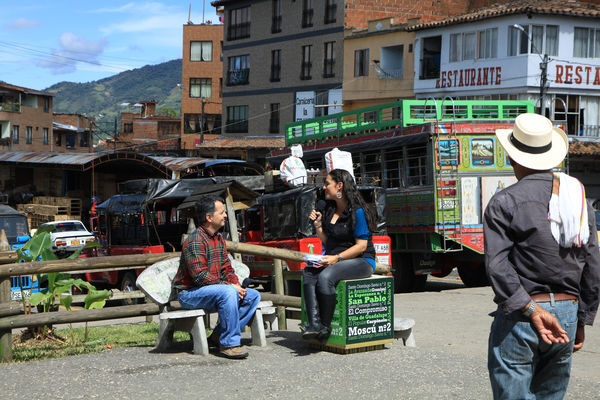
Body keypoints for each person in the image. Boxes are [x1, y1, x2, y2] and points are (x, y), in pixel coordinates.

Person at [484, 113, 600, 399]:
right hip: (567, 313)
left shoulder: (504, 201)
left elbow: (497, 266)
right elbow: (593, 263)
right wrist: (582, 318)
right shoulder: (577, 199)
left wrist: (534, 312)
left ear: (513, 158)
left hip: (524, 315)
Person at [173, 194, 261, 359]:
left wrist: (237, 286)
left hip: (212, 290)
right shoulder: (195, 241)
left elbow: (227, 268)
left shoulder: (218, 238)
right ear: (209, 217)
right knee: (228, 292)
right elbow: (200, 277)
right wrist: (230, 287)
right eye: (221, 212)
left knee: (252, 296)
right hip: (190, 294)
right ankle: (229, 344)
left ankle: (217, 336)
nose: (225, 215)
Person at [303, 168, 378, 341]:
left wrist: (336, 259)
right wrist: (318, 226)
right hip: (336, 258)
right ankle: (314, 325)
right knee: (309, 272)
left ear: (340, 186)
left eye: (327, 183)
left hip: (361, 260)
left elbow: (361, 246)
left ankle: (325, 327)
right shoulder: (329, 209)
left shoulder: (358, 211)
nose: (324, 187)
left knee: (326, 276)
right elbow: (327, 241)